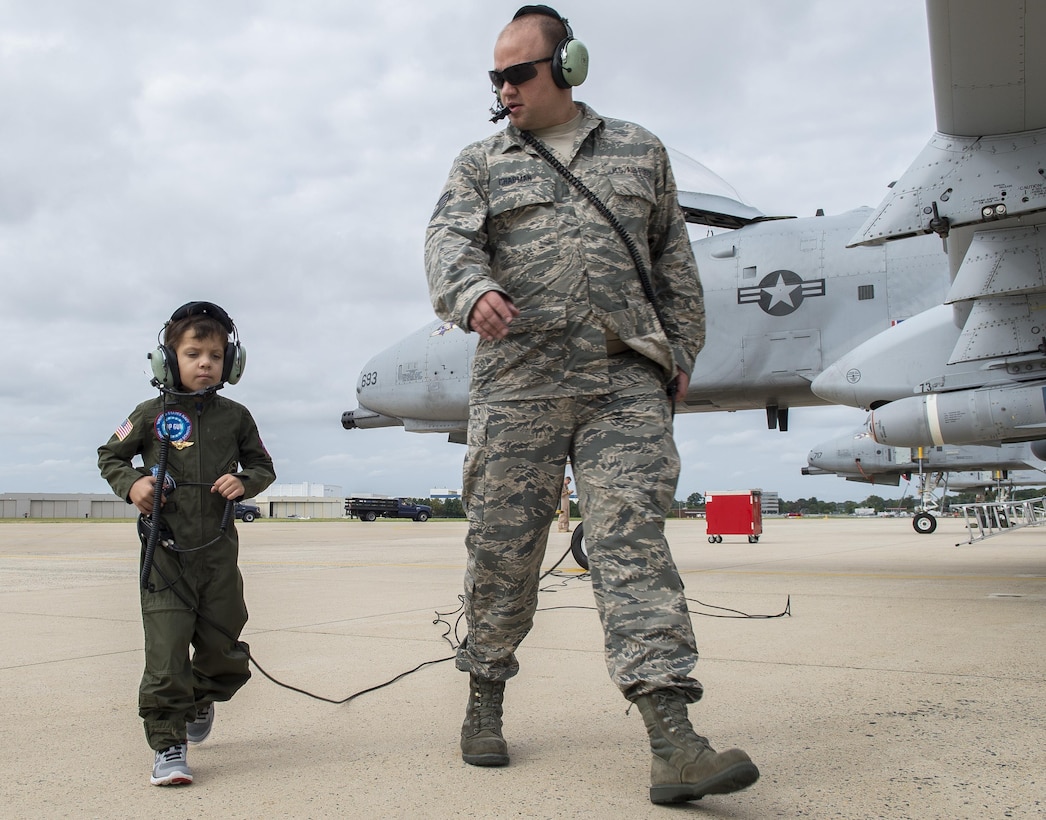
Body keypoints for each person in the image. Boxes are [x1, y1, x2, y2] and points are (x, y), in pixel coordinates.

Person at [425, 4, 758, 806]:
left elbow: (674, 257)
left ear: (567, 67)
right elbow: (447, 242)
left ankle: (672, 737)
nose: (504, 88)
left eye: (519, 73)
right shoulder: (481, 163)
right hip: (519, 386)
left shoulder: (641, 151)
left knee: (630, 544)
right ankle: (485, 694)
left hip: (623, 385)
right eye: (495, 76)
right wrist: (471, 291)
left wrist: (680, 350)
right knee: (503, 554)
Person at [98, 301, 276, 787]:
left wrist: (245, 482)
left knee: (225, 655)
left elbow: (263, 466)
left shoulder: (236, 417)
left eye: (215, 355)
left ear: (230, 363)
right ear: (167, 359)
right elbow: (110, 455)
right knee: (166, 654)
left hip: (218, 557)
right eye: (194, 353)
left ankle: (201, 699)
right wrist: (132, 484)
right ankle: (168, 744)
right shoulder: (149, 414)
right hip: (165, 556)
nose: (205, 363)